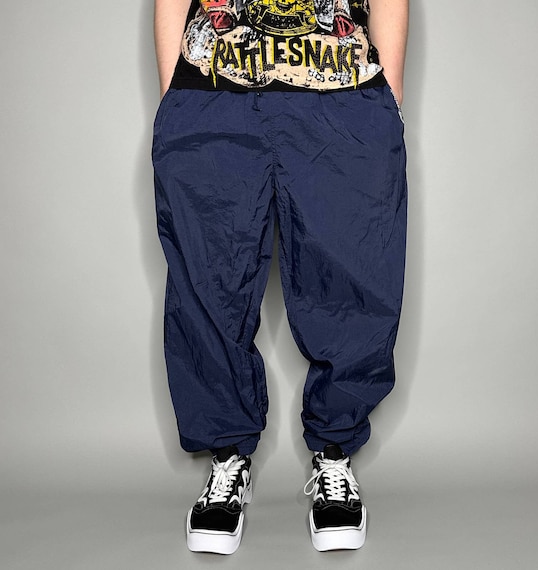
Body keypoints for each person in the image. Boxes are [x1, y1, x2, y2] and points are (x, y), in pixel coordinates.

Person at [152, 0, 408, 554]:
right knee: (208, 278)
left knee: (352, 275)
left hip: (341, 86)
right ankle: (226, 456)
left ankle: (335, 453)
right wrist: (176, 93)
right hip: (213, 88)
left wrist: (389, 96)